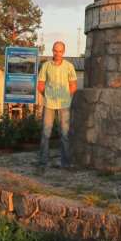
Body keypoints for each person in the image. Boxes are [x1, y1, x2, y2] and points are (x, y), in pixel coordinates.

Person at [37, 41, 77, 173]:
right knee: (45, 134)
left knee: (65, 135)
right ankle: (42, 164)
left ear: (64, 52)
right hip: (49, 104)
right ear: (52, 50)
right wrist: (47, 96)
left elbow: (73, 86)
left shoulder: (69, 67)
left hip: (64, 105)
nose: (57, 53)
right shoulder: (46, 66)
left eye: (60, 51)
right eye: (55, 50)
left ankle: (65, 164)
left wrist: (65, 96)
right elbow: (41, 85)